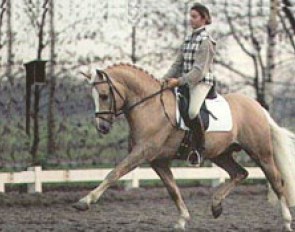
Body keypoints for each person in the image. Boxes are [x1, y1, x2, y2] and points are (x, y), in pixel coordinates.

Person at [162, 2, 216, 166]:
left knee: (192, 112)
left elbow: (198, 71)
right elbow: (177, 64)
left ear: (204, 18)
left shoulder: (207, 42)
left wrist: (178, 81)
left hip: (201, 82)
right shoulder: (187, 39)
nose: (190, 20)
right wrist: (164, 80)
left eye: (194, 17)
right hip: (186, 82)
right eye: (190, 16)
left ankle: (199, 149)